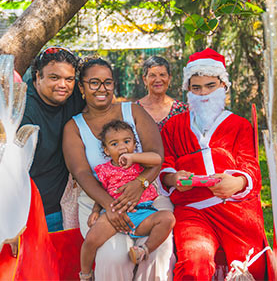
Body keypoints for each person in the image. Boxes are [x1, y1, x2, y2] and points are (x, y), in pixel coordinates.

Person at [159, 48, 277, 280]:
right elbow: (165, 163)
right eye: (196, 87)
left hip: (234, 208)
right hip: (193, 211)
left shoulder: (239, 125)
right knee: (194, 265)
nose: (203, 93)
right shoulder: (173, 126)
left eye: (210, 86)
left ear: (223, 86)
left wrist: (239, 181)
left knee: (249, 264)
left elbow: (250, 164)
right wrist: (173, 178)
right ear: (188, 90)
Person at [63, 58, 175, 281]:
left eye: (108, 82)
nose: (102, 89)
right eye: (94, 83)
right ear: (82, 87)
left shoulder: (133, 111)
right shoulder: (74, 126)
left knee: (158, 253)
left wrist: (139, 184)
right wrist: (108, 206)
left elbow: (156, 155)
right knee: (113, 257)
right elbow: (82, 173)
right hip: (101, 199)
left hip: (147, 195)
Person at [79, 120, 175, 280]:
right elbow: (102, 191)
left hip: (143, 212)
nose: (122, 146)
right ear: (106, 150)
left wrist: (133, 156)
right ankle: (85, 274)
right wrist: (96, 211)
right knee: (91, 240)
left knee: (168, 218)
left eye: (127, 141)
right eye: (114, 143)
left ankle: (144, 249)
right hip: (115, 214)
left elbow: (157, 159)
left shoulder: (140, 163)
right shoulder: (104, 170)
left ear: (134, 144)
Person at [20, 47, 85, 232]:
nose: (63, 84)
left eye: (69, 79)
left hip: (72, 203)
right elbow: (9, 170)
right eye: (54, 78)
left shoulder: (76, 98)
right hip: (34, 211)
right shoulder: (23, 111)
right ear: (38, 77)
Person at [136, 56, 188, 131]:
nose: (158, 80)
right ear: (145, 80)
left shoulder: (181, 110)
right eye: (152, 75)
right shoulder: (135, 110)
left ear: (169, 79)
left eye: (162, 75)